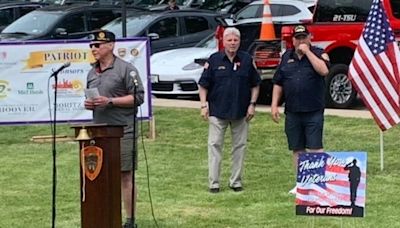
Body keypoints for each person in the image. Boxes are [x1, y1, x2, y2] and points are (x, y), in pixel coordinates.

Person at [84, 30, 145, 228]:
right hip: (99, 131)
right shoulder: (92, 72)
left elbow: (138, 97)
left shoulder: (126, 69)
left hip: (122, 130)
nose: (94, 49)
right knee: (100, 175)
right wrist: (90, 104)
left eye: (98, 45)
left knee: (124, 174)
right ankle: (104, 215)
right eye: (92, 45)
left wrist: (110, 101)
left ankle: (130, 220)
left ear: (110, 45)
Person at [198, 27, 261, 193]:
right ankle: (214, 183)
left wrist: (252, 104)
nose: (232, 43)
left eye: (235, 40)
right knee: (214, 146)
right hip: (217, 112)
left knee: (239, 147)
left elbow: (255, 85)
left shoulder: (247, 60)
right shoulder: (214, 60)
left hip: (241, 112)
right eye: (229, 40)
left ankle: (236, 181)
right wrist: (204, 105)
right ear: (223, 42)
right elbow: (203, 85)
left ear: (239, 42)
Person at [270, 25, 330, 195]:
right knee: (297, 148)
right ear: (293, 40)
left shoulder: (319, 53)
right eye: (298, 38)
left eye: (304, 37)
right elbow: (278, 82)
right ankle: (301, 184)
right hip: (293, 111)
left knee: (315, 147)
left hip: (313, 110)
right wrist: (274, 105)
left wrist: (308, 53)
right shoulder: (286, 57)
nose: (301, 41)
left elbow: (324, 70)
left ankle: (318, 183)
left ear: (310, 38)